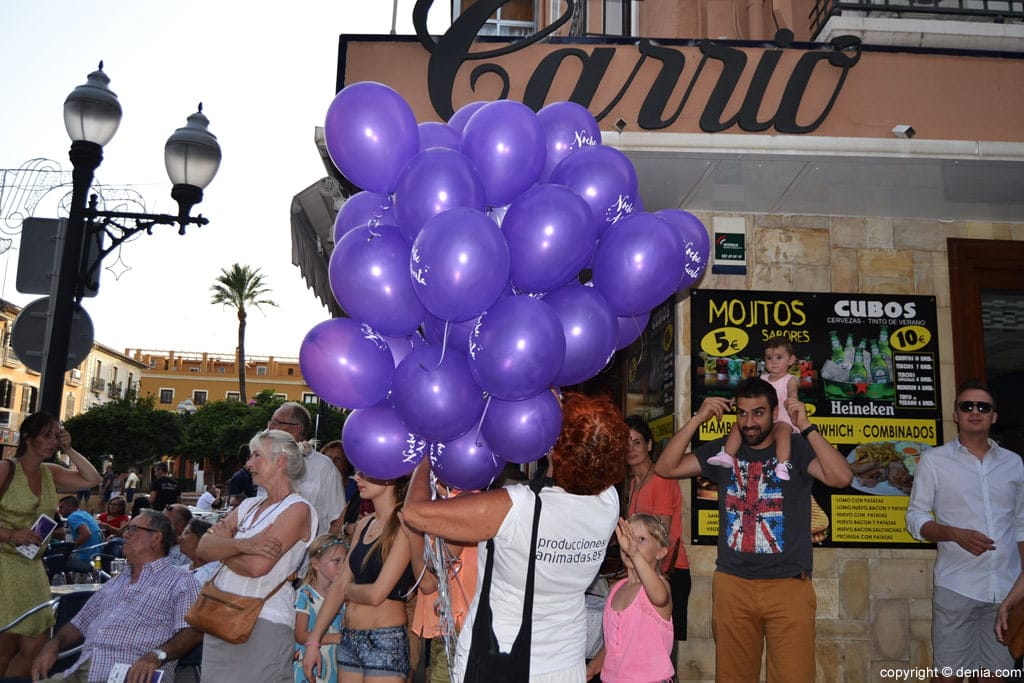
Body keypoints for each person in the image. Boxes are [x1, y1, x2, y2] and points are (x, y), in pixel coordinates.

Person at [401, 392, 626, 681]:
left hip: (498, 660)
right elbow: (588, 450)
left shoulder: (517, 507)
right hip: (565, 663)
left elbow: (415, 513)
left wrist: (426, 457)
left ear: (555, 448)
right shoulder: (608, 503)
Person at [654, 377, 852, 682]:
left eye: (758, 413)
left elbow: (841, 477)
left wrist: (806, 426)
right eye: (742, 413)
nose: (749, 422)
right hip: (734, 585)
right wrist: (697, 419)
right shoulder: (725, 451)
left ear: (774, 412)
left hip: (788, 586)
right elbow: (665, 468)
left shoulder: (796, 448)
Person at [905, 380, 1024, 682]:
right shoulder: (934, 461)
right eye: (966, 406)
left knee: (994, 678)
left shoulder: (1014, 463)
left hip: (1006, 590)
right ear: (955, 415)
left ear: (994, 416)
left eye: (983, 407)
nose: (975, 411)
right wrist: (954, 534)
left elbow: (1021, 525)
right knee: (948, 678)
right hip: (958, 586)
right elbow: (915, 517)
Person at [197, 429, 316, 683]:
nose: (249, 463)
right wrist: (246, 545)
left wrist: (224, 547)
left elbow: (256, 567)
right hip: (219, 617)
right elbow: (202, 548)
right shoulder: (249, 505)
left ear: (280, 461)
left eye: (256, 455)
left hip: (263, 623)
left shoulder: (298, 509)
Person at [29, 509, 202, 683]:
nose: (125, 534)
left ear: (156, 538)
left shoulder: (180, 580)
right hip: (85, 671)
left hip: (133, 673)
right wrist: (53, 644)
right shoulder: (116, 581)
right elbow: (79, 623)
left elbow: (192, 632)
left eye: (133, 529)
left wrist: (157, 655)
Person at [0, 413, 102, 679]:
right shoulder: (6, 470)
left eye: (56, 436)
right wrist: (11, 535)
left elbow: (93, 479)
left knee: (36, 644)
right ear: (27, 437)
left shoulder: (50, 473)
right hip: (3, 564)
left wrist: (69, 450)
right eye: (47, 436)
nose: (53, 442)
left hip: (33, 567)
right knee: (5, 643)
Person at [303, 473, 415, 683]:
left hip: (384, 639)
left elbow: (376, 594)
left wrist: (347, 590)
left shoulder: (404, 524)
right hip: (350, 637)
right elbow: (339, 586)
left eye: (365, 473)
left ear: (389, 477)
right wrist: (313, 642)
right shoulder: (365, 524)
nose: (356, 478)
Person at [622, 415, 691, 645]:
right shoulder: (634, 483)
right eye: (625, 443)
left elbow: (662, 535)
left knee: (662, 650)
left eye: (637, 442)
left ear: (649, 445)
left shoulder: (660, 479)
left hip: (667, 572)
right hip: (643, 573)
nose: (631, 449)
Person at [589, 514, 674, 683]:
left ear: (660, 552)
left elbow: (660, 597)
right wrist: (592, 668)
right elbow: (614, 644)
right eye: (627, 537)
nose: (630, 544)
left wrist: (634, 554)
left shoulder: (659, 587)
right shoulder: (616, 589)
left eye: (641, 539)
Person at [708, 336, 799, 480]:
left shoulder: (790, 379)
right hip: (761, 420)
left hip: (782, 418)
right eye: (769, 358)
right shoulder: (762, 378)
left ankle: (782, 464)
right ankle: (727, 455)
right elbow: (748, 393)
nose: (773, 362)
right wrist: (735, 400)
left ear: (791, 360)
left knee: (783, 432)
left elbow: (793, 393)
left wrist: (793, 400)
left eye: (779, 357)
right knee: (738, 426)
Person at [269, 402, 346, 536]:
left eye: (276, 422)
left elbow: (337, 518)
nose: (269, 427)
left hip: (310, 548)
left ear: (296, 429)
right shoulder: (267, 463)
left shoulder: (324, 466)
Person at [294, 533, 348, 683]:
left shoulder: (344, 597)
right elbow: (300, 635)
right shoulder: (305, 594)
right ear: (316, 563)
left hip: (334, 666)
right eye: (336, 561)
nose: (343, 566)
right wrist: (336, 638)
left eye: (345, 561)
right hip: (310, 666)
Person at [57, 495, 106, 573]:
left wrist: (70, 549)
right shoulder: (84, 514)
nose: (59, 511)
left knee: (57, 561)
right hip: (97, 556)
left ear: (70, 507)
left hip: (86, 558)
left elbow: (86, 534)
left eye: (61, 507)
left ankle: (68, 581)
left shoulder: (73, 517)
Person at [178, 517, 220, 584]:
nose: (180, 538)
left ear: (202, 538)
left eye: (186, 533)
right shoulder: (181, 570)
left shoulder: (216, 571)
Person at [323, 439, 357, 505]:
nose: (332, 462)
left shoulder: (356, 488)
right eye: (328, 458)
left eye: (337, 459)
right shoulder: (315, 485)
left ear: (346, 464)